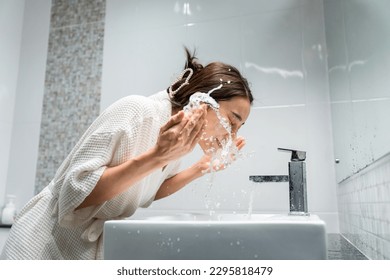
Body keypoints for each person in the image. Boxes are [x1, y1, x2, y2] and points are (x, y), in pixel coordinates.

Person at [1, 48, 253, 260]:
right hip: (39, 245)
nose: (231, 137)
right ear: (204, 99)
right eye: (231, 121)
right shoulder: (137, 110)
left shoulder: (176, 140)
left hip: (82, 251)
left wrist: (201, 167)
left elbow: (149, 190)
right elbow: (75, 192)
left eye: (238, 128)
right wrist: (157, 156)